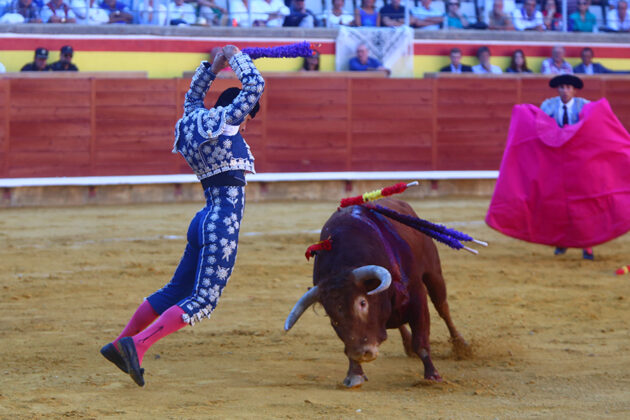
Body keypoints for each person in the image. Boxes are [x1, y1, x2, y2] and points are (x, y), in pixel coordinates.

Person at [100, 45, 265, 387]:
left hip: (202, 218)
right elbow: (254, 85)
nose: (246, 126)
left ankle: (120, 342)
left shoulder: (190, 120)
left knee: (175, 289)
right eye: (248, 118)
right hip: (221, 223)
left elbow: (193, 95)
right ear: (237, 112)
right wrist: (234, 57)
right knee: (203, 300)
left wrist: (214, 65)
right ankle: (138, 344)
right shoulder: (226, 123)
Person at [538, 74, 594, 259]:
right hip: (557, 163)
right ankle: (562, 241)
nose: (565, 90)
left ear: (574, 90)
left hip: (580, 163)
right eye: (562, 87)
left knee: (583, 204)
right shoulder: (548, 106)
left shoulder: (585, 105)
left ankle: (587, 244)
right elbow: (539, 128)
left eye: (568, 87)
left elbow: (594, 128)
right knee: (559, 203)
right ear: (558, 89)